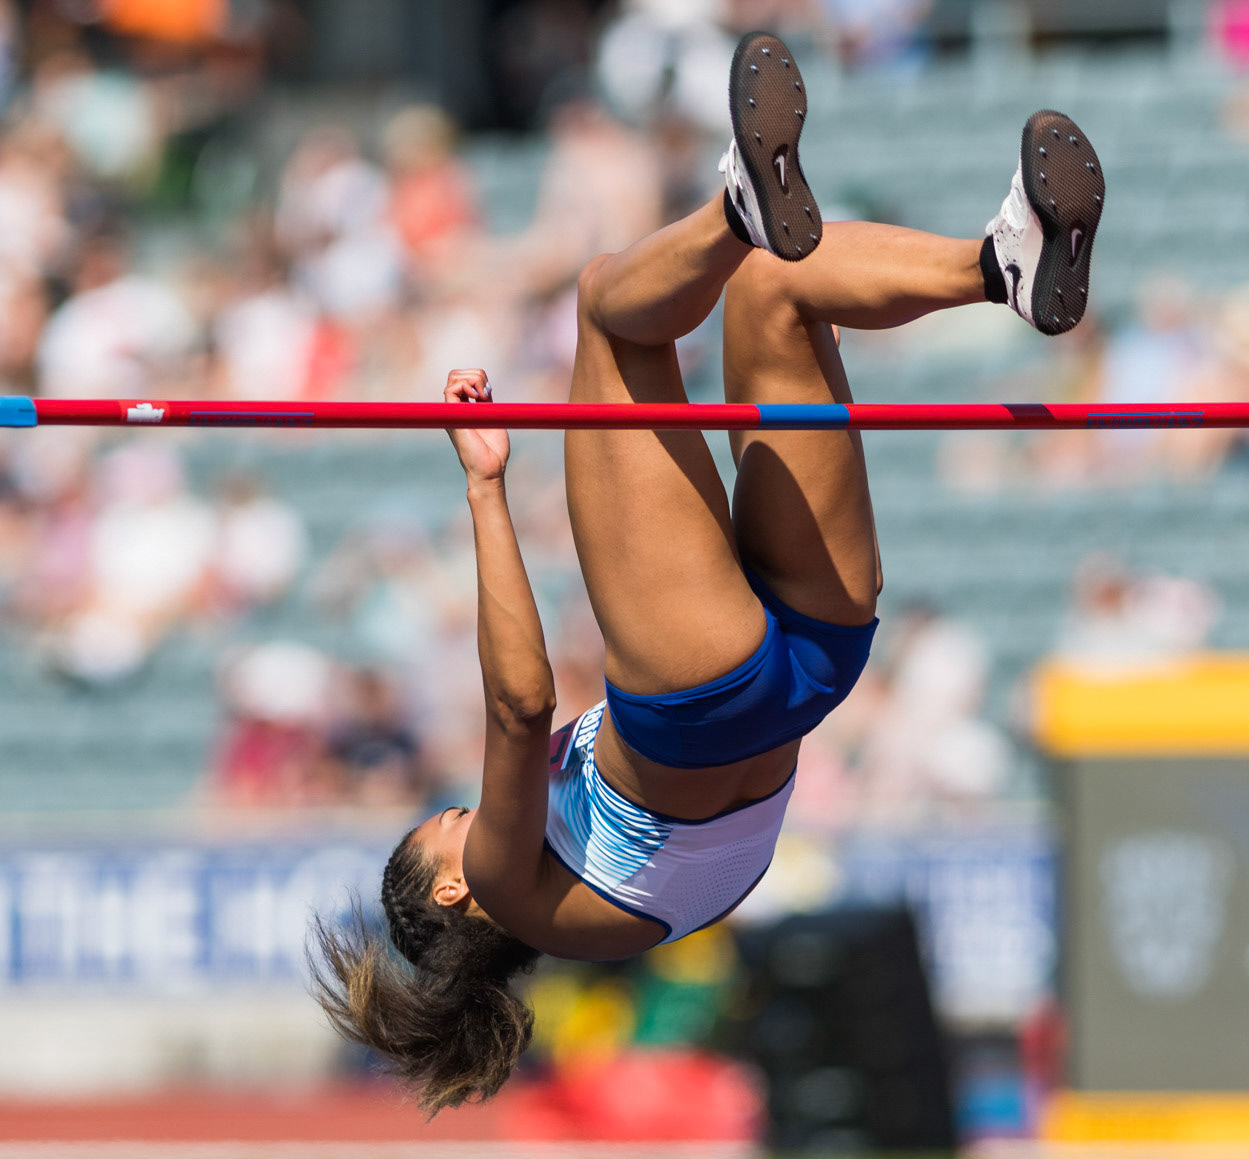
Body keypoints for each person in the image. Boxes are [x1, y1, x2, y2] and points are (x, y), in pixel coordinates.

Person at [312, 30, 1106, 1114]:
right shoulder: (505, 884)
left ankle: (1000, 264)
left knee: (777, 293)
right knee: (603, 310)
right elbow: (518, 702)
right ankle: (733, 203)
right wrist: (486, 486)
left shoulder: (596, 907)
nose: (474, 812)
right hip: (703, 694)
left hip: (811, 668)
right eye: (451, 819)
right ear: (451, 886)